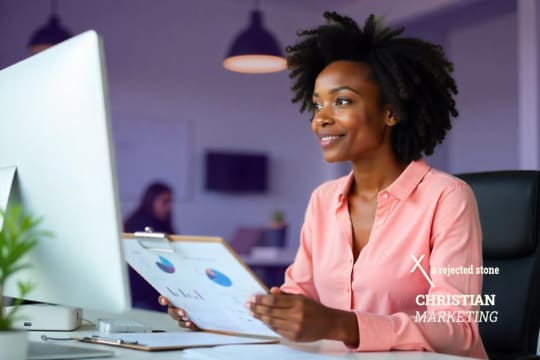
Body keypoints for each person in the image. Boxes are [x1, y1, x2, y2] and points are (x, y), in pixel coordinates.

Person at [160, 12, 487, 358]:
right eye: (317, 104)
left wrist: (341, 325)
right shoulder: (324, 199)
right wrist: (213, 311)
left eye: (341, 101)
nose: (321, 118)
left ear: (390, 112)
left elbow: (459, 331)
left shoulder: (447, 197)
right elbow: (296, 296)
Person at [124, 181, 175, 311]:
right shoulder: (139, 225)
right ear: (151, 201)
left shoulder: (162, 224)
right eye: (165, 202)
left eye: (170, 202)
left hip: (158, 291)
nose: (169, 207)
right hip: (143, 296)